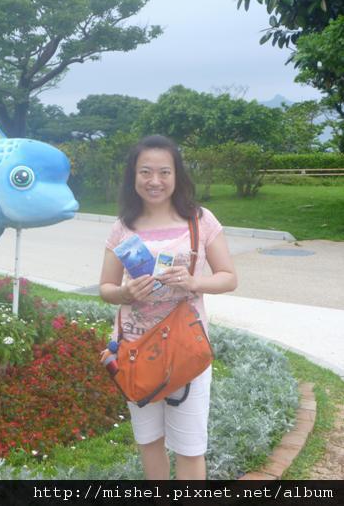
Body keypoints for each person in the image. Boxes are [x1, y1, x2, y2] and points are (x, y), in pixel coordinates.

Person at [98, 135, 237, 480]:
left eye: (164, 172)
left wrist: (193, 282)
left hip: (185, 349)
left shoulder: (200, 221)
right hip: (135, 350)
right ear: (133, 175)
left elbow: (228, 277)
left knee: (190, 447)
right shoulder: (122, 227)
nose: (155, 181)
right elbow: (106, 288)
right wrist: (125, 292)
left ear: (177, 175)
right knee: (149, 442)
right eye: (145, 172)